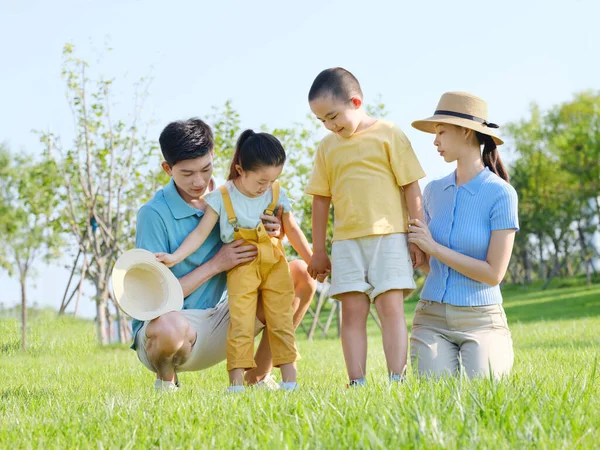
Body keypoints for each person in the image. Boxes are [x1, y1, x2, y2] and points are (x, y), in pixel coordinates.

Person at [132, 118, 317, 392]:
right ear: (167, 169)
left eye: (205, 169)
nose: (198, 181)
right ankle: (166, 383)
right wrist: (216, 264)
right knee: (169, 327)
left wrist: (274, 233)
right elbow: (153, 299)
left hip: (225, 316)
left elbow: (263, 252)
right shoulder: (153, 214)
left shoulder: (234, 193)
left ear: (214, 157)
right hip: (173, 327)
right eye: (187, 173)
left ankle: (258, 376)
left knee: (301, 275)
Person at [305, 67, 426, 386]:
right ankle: (357, 381)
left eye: (333, 116)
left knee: (391, 310)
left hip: (390, 238)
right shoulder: (327, 148)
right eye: (322, 121)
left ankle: (396, 379)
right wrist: (318, 250)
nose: (330, 126)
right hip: (346, 244)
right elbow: (320, 200)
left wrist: (418, 236)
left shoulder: (389, 133)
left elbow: (411, 186)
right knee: (352, 315)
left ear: (356, 102)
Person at [408, 91, 519, 379]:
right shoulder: (432, 191)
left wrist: (433, 247)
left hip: (482, 318)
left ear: (467, 132)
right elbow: (431, 264)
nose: (435, 140)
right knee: (436, 395)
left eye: (441, 131)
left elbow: (494, 273)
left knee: (483, 390)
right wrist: (418, 254)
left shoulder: (501, 194)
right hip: (431, 317)